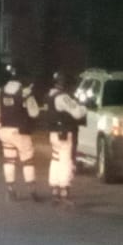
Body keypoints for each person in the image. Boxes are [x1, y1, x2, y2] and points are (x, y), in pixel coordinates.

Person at [0, 62, 42, 201]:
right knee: (27, 159)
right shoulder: (25, 92)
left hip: (5, 130)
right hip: (21, 131)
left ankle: (10, 189)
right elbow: (34, 113)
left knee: (9, 160)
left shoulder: (0, 91)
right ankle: (32, 189)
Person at [44, 71, 86, 207]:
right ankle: (64, 192)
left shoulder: (49, 96)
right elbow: (77, 113)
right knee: (66, 161)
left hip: (53, 134)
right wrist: (84, 107)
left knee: (55, 159)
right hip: (64, 134)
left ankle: (55, 190)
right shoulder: (62, 97)